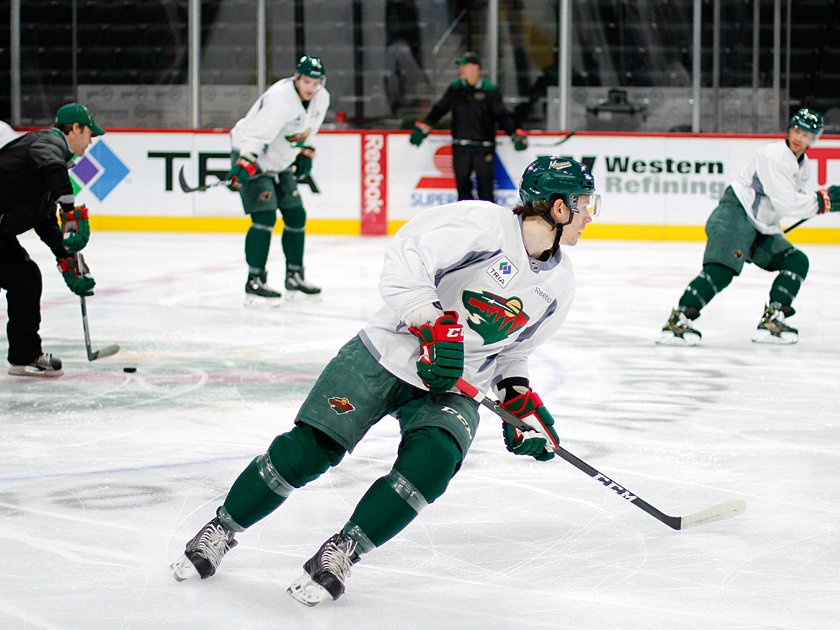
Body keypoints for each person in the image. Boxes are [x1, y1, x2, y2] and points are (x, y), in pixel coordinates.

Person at [171, 156, 600, 605]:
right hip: (389, 351)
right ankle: (222, 527)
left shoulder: (560, 283)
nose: (589, 215)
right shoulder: (480, 225)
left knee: (432, 464)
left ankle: (342, 551)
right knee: (309, 450)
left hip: (455, 383)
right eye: (582, 204)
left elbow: (514, 349)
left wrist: (517, 397)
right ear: (555, 207)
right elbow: (403, 260)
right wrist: (432, 322)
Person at [656, 108, 840, 346]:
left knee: (796, 261)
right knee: (721, 270)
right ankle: (677, 322)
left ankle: (773, 320)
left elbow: (787, 203)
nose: (798, 137)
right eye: (796, 130)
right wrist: (825, 201)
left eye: (805, 134)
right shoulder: (773, 156)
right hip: (735, 217)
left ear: (814, 138)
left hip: (760, 226)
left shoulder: (803, 166)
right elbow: (788, 204)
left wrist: (825, 201)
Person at [0, 103, 101, 377]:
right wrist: (69, 210)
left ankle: (23, 356)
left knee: (25, 278)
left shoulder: (45, 175)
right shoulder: (48, 143)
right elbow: (53, 167)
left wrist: (67, 256)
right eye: (90, 134)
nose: (91, 141)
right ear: (75, 128)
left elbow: (44, 222)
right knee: (24, 277)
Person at [227, 54, 330, 303]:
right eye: (307, 82)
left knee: (296, 215)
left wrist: (306, 151)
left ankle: (294, 276)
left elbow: (310, 129)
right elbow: (256, 134)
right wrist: (245, 161)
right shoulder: (279, 99)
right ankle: (255, 280)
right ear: (296, 78)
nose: (311, 88)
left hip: (282, 161)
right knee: (265, 216)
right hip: (254, 157)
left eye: (316, 83)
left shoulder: (322, 98)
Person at [409, 51, 529, 202]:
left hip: (483, 147)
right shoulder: (455, 88)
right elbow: (440, 109)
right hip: (461, 147)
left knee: (485, 189)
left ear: (475, 68)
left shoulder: (489, 90)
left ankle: (486, 223)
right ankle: (466, 223)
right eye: (461, 66)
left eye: (464, 66)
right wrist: (425, 125)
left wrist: (514, 133)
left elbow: (502, 116)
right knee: (462, 188)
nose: (461, 69)